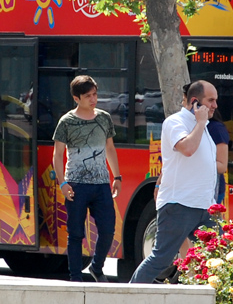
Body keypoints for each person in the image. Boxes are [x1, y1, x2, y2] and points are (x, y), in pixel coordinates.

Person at [130, 80, 218, 284]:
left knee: (217, 256)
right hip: (179, 205)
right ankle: (128, 298)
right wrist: (200, 123)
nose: (215, 105)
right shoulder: (175, 122)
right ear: (195, 102)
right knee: (161, 259)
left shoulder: (202, 126)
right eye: (211, 100)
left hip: (204, 206)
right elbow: (187, 149)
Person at [52, 75, 122, 283]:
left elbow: (110, 147)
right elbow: (57, 155)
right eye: (88, 96)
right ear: (76, 98)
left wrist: (116, 176)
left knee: (108, 230)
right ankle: (75, 277)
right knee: (75, 234)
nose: (93, 99)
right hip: (76, 184)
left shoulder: (104, 118)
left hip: (101, 184)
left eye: (95, 94)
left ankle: (96, 267)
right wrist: (62, 183)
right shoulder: (66, 122)